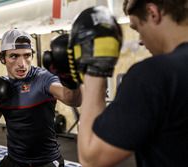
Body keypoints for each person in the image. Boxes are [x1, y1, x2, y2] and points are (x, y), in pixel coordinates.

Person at [71, 1, 188, 167]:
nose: (140, 40)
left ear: (153, 12)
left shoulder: (153, 74)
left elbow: (91, 158)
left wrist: (96, 70)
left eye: (137, 28)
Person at [0, 28, 82, 167]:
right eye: (14, 56)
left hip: (46, 162)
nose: (22, 64)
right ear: (3, 58)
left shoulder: (43, 78)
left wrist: (69, 77)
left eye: (27, 55)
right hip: (15, 161)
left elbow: (72, 99)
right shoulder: (0, 86)